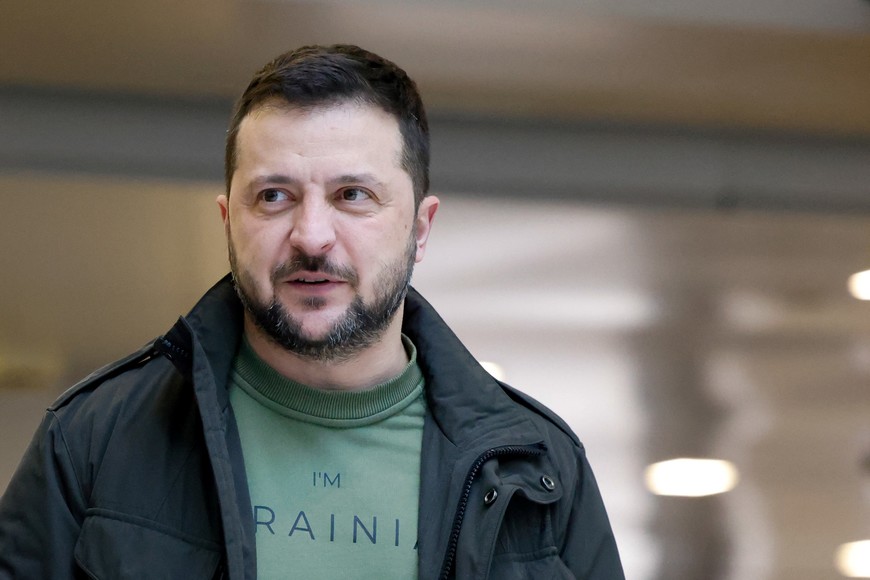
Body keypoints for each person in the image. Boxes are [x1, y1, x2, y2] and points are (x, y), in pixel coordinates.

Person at [0, 44, 624, 579]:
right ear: (228, 223)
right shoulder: (92, 442)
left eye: (353, 195)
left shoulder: (538, 470)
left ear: (420, 228)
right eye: (275, 197)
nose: (311, 235)